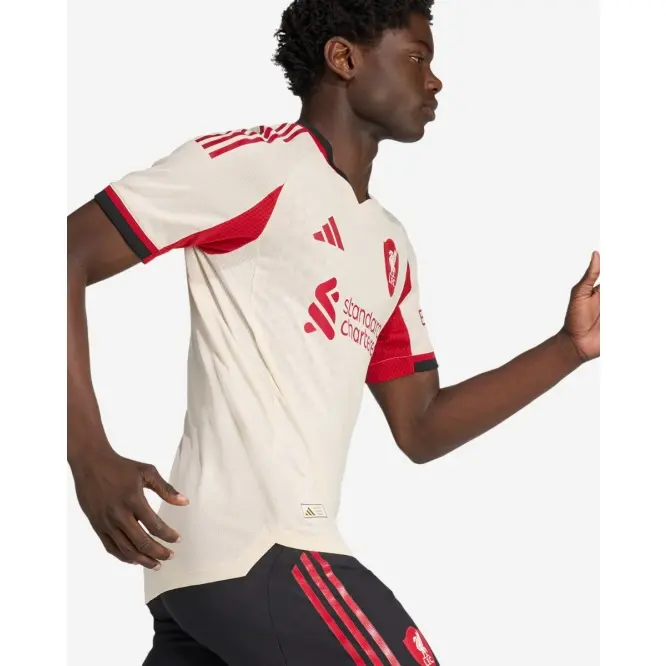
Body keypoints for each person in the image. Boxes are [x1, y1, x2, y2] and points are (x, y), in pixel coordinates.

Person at [67, 0, 601, 664]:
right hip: (259, 544)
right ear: (344, 58)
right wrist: (87, 453)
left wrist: (570, 348)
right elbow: (60, 256)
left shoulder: (389, 244)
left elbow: (422, 427)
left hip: (216, 569)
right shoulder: (256, 166)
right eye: (416, 58)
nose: (434, 80)